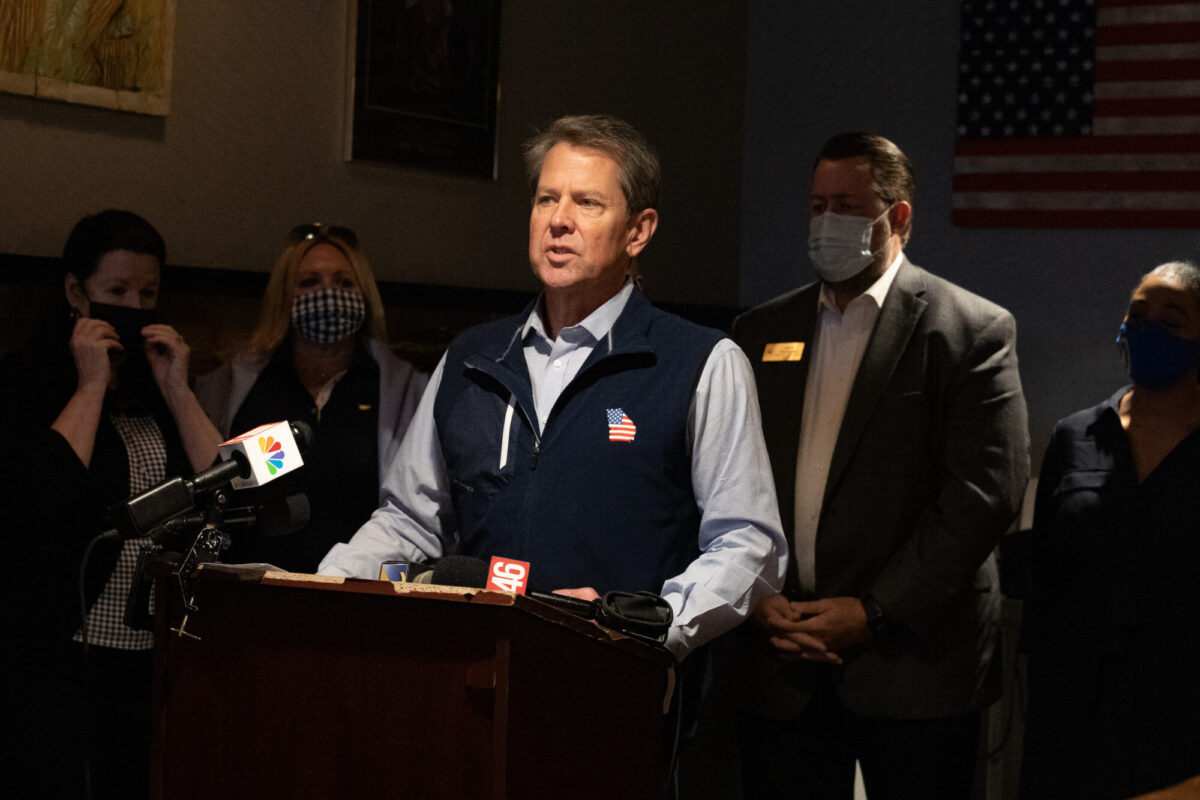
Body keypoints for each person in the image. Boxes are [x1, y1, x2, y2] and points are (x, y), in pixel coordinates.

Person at [318, 113, 786, 665]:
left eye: (587, 203)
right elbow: (410, 521)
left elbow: (748, 545)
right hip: (475, 676)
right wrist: (324, 584)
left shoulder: (701, 362)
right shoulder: (472, 358)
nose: (558, 221)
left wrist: (645, 626)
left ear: (639, 231)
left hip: (619, 682)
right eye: (546, 200)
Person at [728, 132, 1030, 799]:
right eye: (816, 205)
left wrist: (873, 612)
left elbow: (983, 496)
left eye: (845, 205)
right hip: (782, 659)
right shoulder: (759, 332)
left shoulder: (969, 331)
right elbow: (730, 480)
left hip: (913, 664)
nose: (825, 222)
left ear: (898, 218)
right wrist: (760, 598)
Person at [0, 209, 223, 798]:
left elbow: (225, 486)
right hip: (60, 655)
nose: (134, 306)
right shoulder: (28, 383)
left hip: (155, 652)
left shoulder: (156, 388)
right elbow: (41, 491)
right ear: (76, 291)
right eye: (117, 290)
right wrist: (92, 383)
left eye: (147, 293)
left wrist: (177, 388)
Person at [1020, 261, 1200, 799]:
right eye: (1138, 314)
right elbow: (1045, 574)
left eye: (1172, 319)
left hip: (1181, 715)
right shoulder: (1077, 435)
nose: (1147, 329)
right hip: (1074, 709)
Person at [197, 224, 427, 573]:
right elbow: (217, 479)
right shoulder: (241, 384)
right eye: (309, 282)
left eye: (344, 283)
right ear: (285, 297)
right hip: (248, 589)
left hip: (354, 594)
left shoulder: (400, 388)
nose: (328, 294)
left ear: (363, 295)